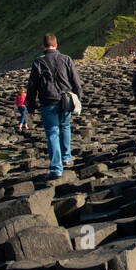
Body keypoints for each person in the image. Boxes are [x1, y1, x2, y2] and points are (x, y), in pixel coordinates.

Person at [25, 33, 82, 178]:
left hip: (48, 102)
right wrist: (78, 99)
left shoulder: (38, 62)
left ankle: (56, 168)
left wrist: (30, 107)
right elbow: (76, 82)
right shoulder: (66, 59)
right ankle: (66, 157)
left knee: (52, 133)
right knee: (65, 127)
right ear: (56, 45)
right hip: (65, 100)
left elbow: (32, 87)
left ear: (43, 46)